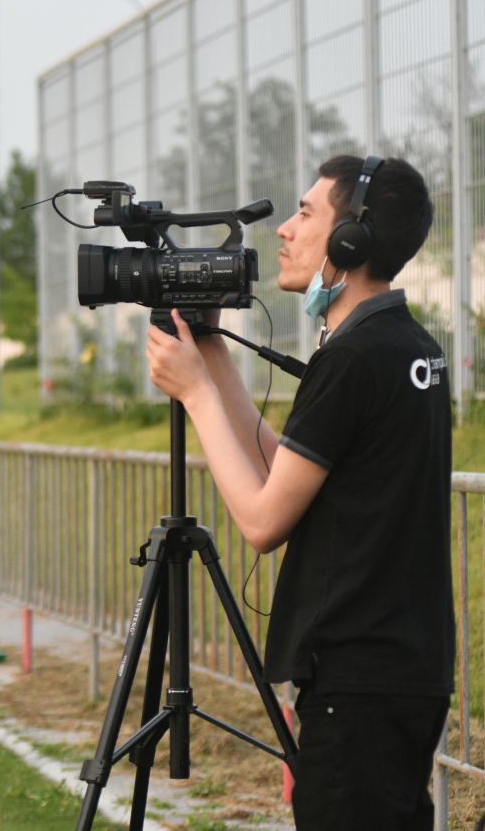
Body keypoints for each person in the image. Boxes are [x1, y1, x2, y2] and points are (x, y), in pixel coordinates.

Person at [144, 154, 454, 829]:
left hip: (357, 679)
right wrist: (216, 358)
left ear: (353, 240)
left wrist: (194, 394)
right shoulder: (406, 346)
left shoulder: (350, 359)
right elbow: (292, 468)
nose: (284, 229)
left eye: (307, 213)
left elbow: (262, 517)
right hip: (403, 666)